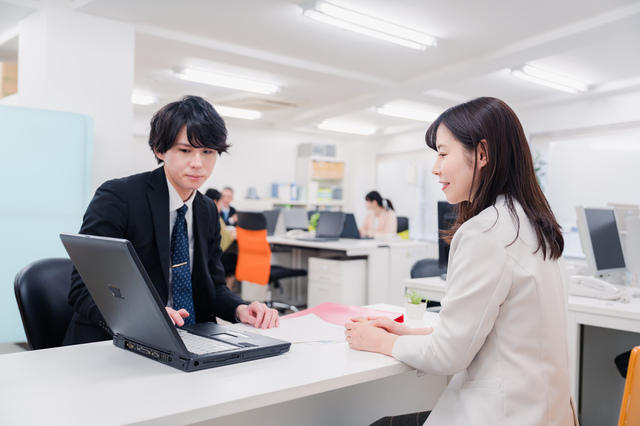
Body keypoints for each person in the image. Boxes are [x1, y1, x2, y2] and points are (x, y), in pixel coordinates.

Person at [345, 97, 578, 425]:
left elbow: (446, 356)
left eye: (442, 153)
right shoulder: (536, 224)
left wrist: (379, 341)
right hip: (546, 413)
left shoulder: (486, 232)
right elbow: (500, 331)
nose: (435, 168)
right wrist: (410, 333)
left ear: (482, 154)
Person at [63, 95, 279, 346]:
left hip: (190, 340)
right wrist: (142, 318)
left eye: (207, 152)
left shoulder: (206, 209)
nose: (197, 164)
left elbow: (214, 287)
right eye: (185, 150)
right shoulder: (119, 197)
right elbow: (84, 289)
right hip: (116, 344)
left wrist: (240, 309)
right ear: (160, 150)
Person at [205, 188, 238, 291]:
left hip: (204, 257)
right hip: (211, 258)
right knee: (233, 259)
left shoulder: (201, 213)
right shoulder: (215, 216)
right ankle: (227, 291)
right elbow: (228, 237)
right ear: (215, 202)